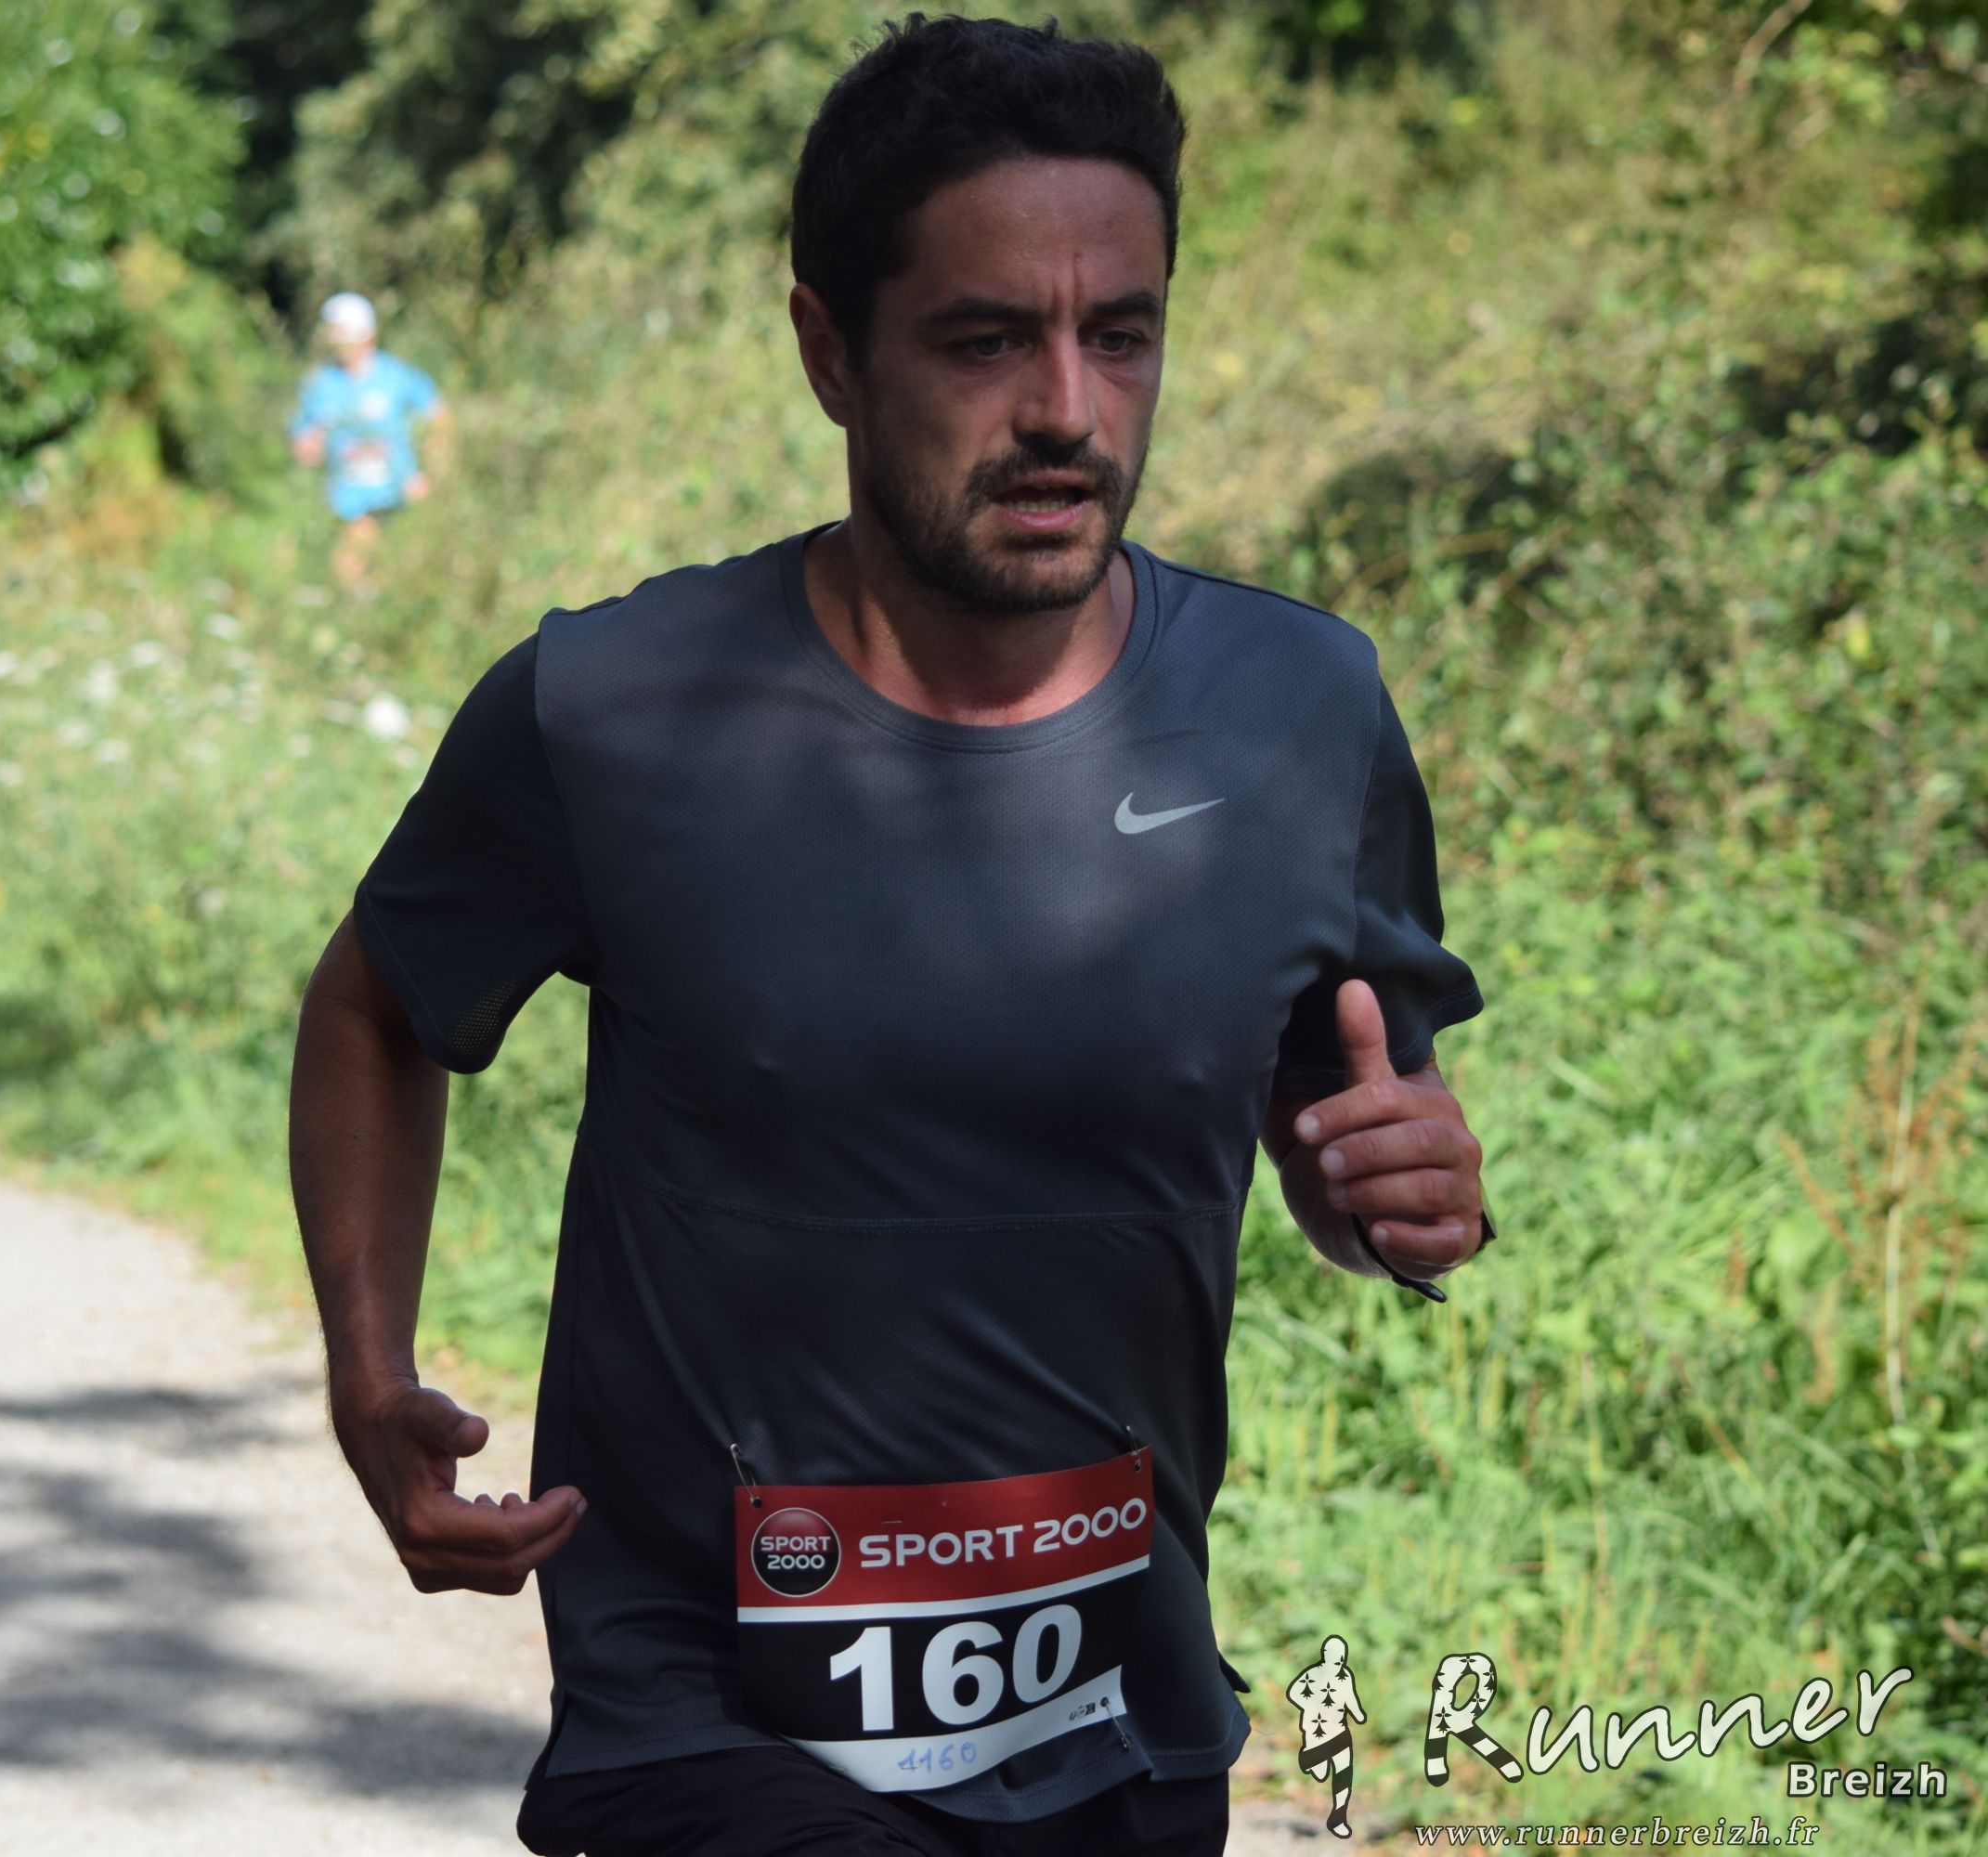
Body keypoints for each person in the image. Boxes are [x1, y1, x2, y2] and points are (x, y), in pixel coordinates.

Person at [287, 19, 1500, 1857]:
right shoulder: (610, 709)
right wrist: (364, 1371)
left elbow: (1336, 1115)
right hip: (704, 1714)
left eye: (1121, 335)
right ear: (827, 352)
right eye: (983, 339)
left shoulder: (1295, 712)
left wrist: (1386, 1193)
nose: (1066, 410)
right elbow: (380, 1005)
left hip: (1119, 1704)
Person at [287, 291, 449, 591]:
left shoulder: (396, 376)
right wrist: (309, 445)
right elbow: (303, 439)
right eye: (332, 332)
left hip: (400, 496)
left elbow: (439, 417)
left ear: (366, 334)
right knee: (353, 566)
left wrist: (434, 472)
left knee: (396, 572)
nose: (335, 340)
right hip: (346, 503)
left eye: (342, 332)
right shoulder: (320, 384)